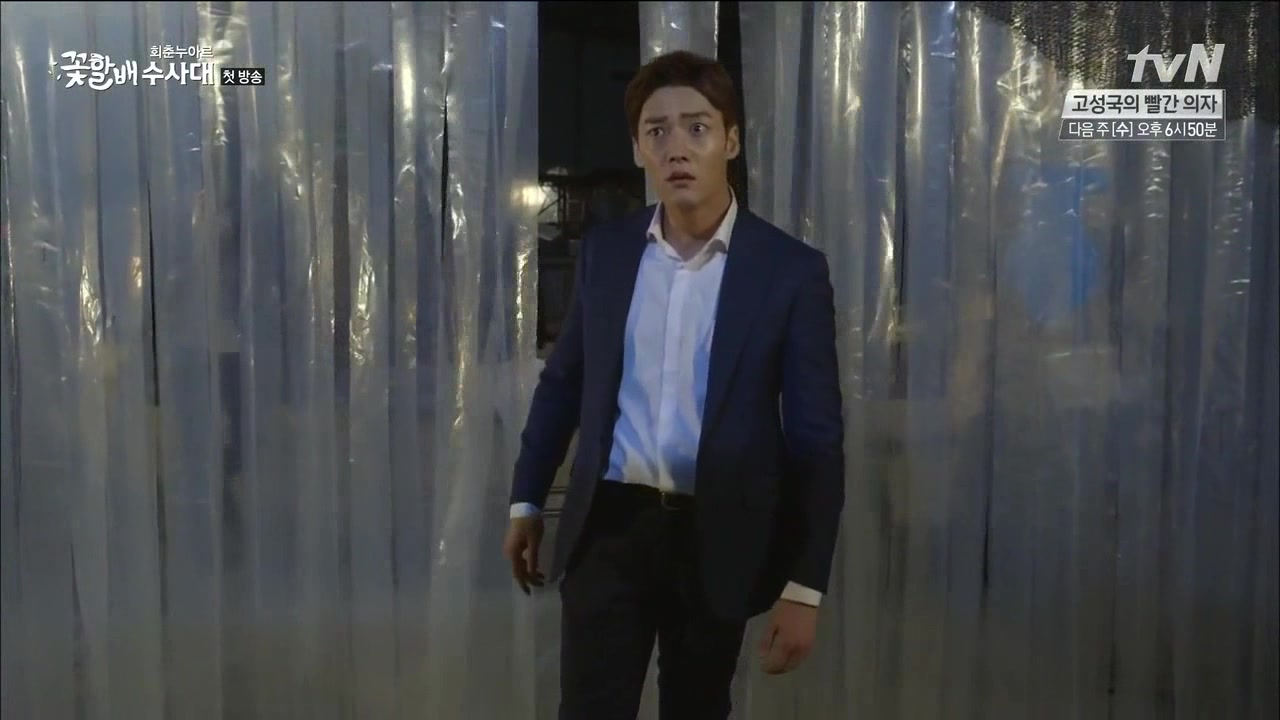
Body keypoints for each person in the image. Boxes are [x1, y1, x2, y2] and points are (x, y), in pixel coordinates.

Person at [502, 50, 846, 720]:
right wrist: (525, 499)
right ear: (638, 149)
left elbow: (816, 440)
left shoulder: (789, 271)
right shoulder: (609, 252)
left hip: (718, 533)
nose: (676, 147)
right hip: (609, 527)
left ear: (731, 141)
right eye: (656, 131)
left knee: (697, 707)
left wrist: (806, 586)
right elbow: (564, 383)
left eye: (697, 127)